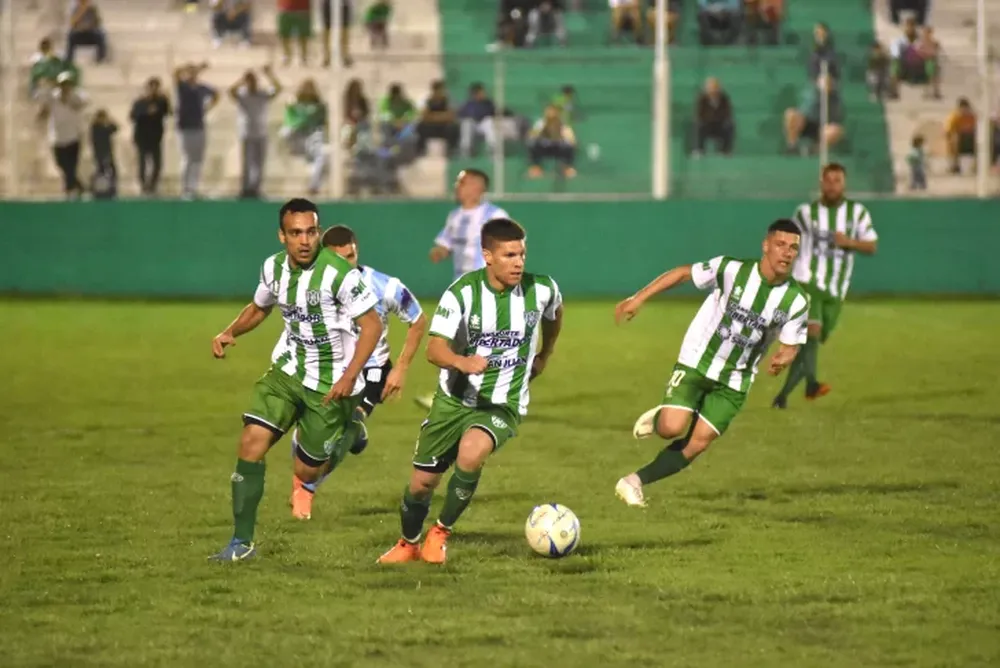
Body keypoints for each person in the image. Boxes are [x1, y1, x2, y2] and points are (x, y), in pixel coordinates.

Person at [378, 218, 564, 565]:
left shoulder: (542, 289)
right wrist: (462, 362)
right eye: (509, 255)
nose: (519, 262)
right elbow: (434, 350)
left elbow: (555, 314)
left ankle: (440, 533)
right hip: (452, 401)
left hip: (502, 403)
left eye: (522, 253)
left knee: (471, 453)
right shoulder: (462, 292)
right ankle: (408, 543)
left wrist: (545, 353)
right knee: (420, 485)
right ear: (487, 256)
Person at [208, 198, 383, 562]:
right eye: (295, 233)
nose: (305, 241)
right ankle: (242, 543)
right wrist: (230, 332)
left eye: (311, 232)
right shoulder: (273, 268)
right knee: (251, 443)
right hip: (286, 371)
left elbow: (372, 325)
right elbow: (260, 307)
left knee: (306, 470)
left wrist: (351, 377)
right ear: (282, 236)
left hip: (331, 384)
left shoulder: (339, 273)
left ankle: (351, 430)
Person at [614, 219, 810, 507]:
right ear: (766, 246)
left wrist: (784, 357)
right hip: (698, 358)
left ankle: (633, 482)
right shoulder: (732, 270)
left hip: (736, 378)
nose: (787, 253)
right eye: (780, 245)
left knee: (698, 442)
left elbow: (791, 345)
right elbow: (683, 274)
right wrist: (638, 298)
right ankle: (661, 417)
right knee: (671, 428)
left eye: (793, 248)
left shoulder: (796, 301)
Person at [289, 224, 427, 521]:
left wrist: (401, 368)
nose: (347, 264)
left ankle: (307, 488)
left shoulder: (383, 286)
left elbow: (417, 319)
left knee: (342, 432)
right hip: (325, 369)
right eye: (339, 259)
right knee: (309, 436)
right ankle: (322, 460)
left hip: (371, 372)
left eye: (351, 256)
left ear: (357, 251)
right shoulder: (311, 285)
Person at [772, 164, 878, 409]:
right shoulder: (805, 213)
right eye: (827, 180)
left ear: (844, 184)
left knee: (809, 346)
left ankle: (783, 397)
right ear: (821, 183)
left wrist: (849, 242)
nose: (832, 185)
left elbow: (872, 246)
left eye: (837, 180)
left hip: (836, 290)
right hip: (807, 280)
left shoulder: (857, 213)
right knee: (812, 332)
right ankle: (812, 383)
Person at [414, 169, 509, 410]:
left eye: (462, 182)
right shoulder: (455, 217)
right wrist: (439, 252)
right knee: (454, 343)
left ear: (477, 187)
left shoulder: (495, 216)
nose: (457, 186)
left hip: (484, 288)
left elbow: (511, 247)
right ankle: (455, 394)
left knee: (470, 341)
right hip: (459, 289)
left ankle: (471, 394)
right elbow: (445, 244)